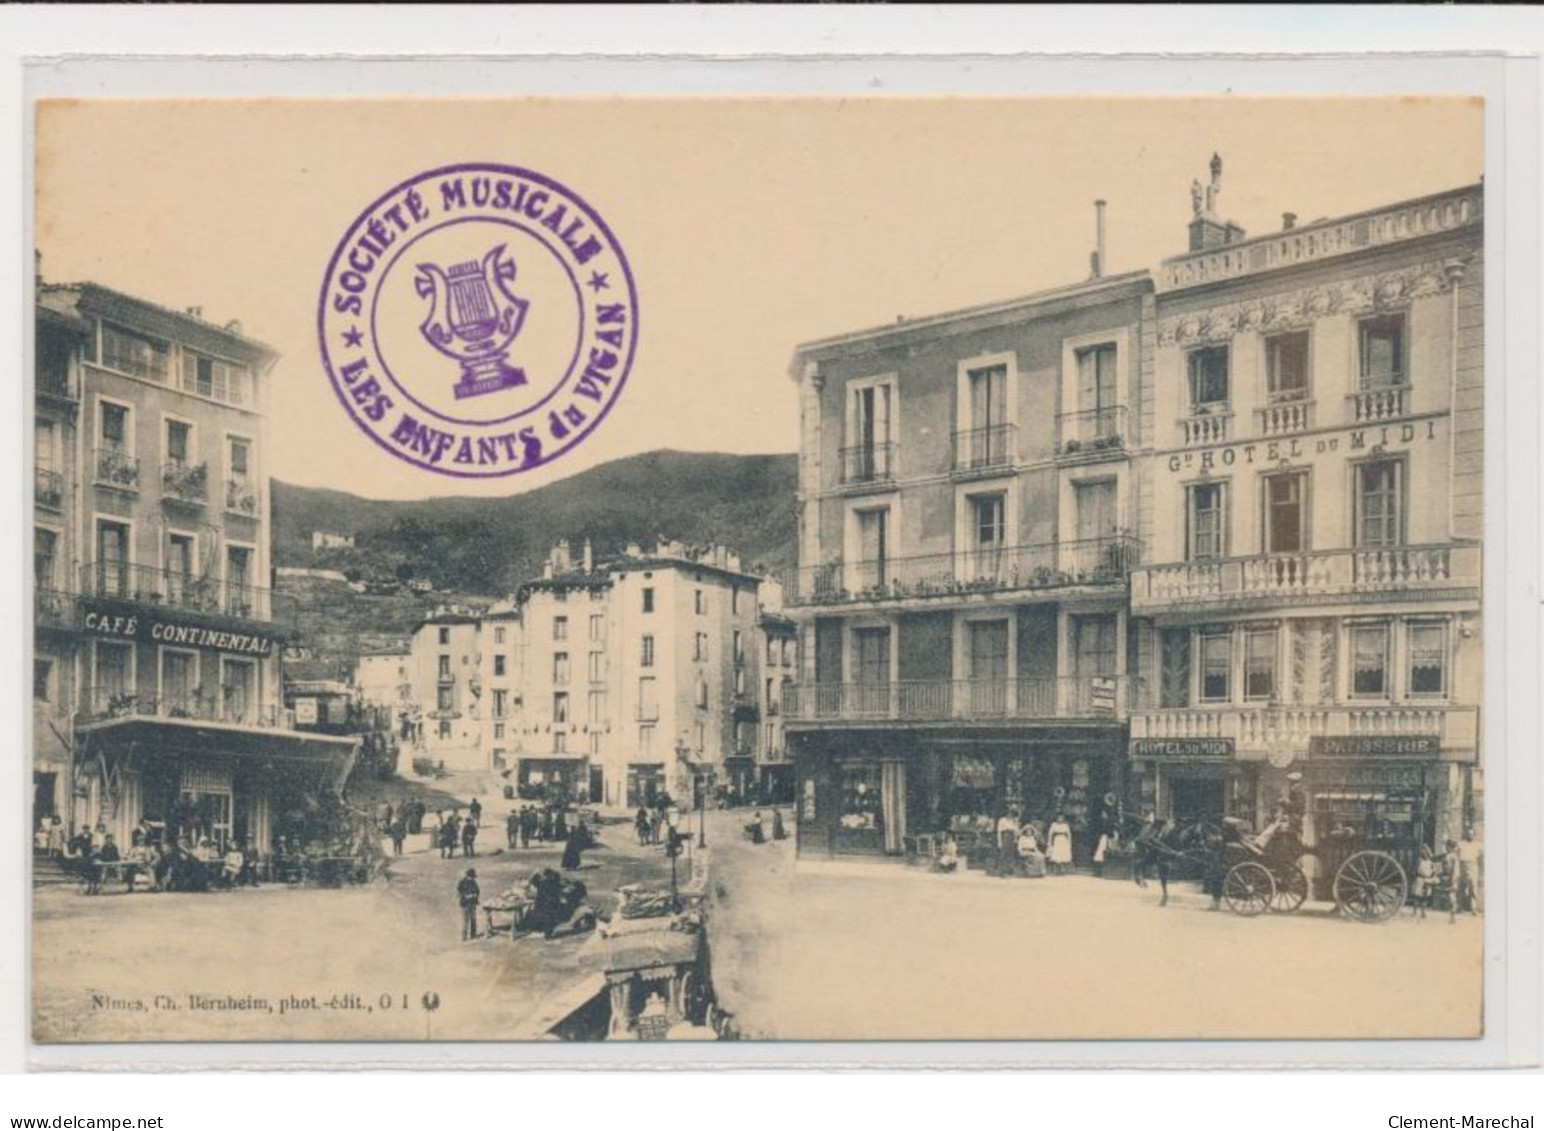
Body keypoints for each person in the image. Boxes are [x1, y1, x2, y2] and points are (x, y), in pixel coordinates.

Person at [1457, 826, 1482, 915]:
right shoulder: (1461, 844)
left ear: (1474, 835)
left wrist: (1480, 872)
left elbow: (1481, 858)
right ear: (1465, 834)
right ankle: (1459, 907)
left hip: (1473, 866)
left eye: (1471, 834)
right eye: (1468, 834)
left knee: (1473, 888)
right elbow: (1457, 854)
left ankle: (1473, 908)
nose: (1469, 835)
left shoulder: (1478, 845)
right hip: (1463, 866)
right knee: (1461, 888)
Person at [1411, 844, 1436, 919]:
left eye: (1426, 852)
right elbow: (1414, 870)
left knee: (1425, 897)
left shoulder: (1431, 863)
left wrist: (1432, 879)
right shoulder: (1419, 861)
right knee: (1417, 896)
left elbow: (1433, 872)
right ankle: (1415, 911)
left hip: (1427, 880)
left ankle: (1423, 912)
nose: (1424, 854)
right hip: (1419, 879)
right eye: (1423, 852)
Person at [457, 868, 480, 941]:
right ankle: (464, 937)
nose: (472, 879)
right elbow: (459, 893)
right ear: (468, 876)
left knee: (473, 919)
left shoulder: (473, 882)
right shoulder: (462, 882)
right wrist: (468, 896)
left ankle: (473, 935)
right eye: (472, 877)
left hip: (472, 903)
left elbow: (477, 890)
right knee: (465, 921)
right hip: (465, 905)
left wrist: (476, 895)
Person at [1442, 838, 1461, 924]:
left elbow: (1455, 870)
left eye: (1447, 846)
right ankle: (1452, 917)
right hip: (1448, 877)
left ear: (1451, 847)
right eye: (1446, 846)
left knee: (1452, 897)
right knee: (1450, 897)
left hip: (1452, 878)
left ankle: (1453, 917)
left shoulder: (1453, 857)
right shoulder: (1448, 855)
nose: (1446, 847)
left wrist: (1453, 881)